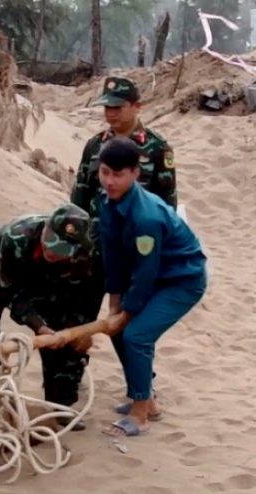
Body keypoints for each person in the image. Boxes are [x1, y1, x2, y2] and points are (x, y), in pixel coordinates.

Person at [70, 75, 177, 417]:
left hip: (134, 252)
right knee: (80, 316)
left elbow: (167, 205)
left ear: (137, 107)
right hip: (94, 247)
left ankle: (143, 392)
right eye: (107, 107)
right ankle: (68, 386)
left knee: (127, 323)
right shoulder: (94, 146)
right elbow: (78, 198)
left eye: (118, 107)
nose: (111, 113)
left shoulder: (157, 148)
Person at [96, 137, 207, 437]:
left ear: (135, 173)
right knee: (118, 330)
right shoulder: (106, 202)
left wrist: (127, 312)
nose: (110, 181)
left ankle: (140, 415)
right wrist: (114, 305)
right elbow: (112, 256)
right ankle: (147, 400)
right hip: (153, 276)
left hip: (182, 280)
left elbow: (145, 273)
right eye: (105, 172)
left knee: (136, 336)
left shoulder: (146, 216)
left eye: (118, 174)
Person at [0, 203, 96, 430]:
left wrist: (77, 328)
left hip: (46, 280)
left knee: (63, 338)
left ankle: (61, 406)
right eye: (50, 240)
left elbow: (80, 294)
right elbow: (12, 294)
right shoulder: (17, 237)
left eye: (61, 249)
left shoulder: (85, 253)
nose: (52, 251)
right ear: (45, 227)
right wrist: (39, 327)